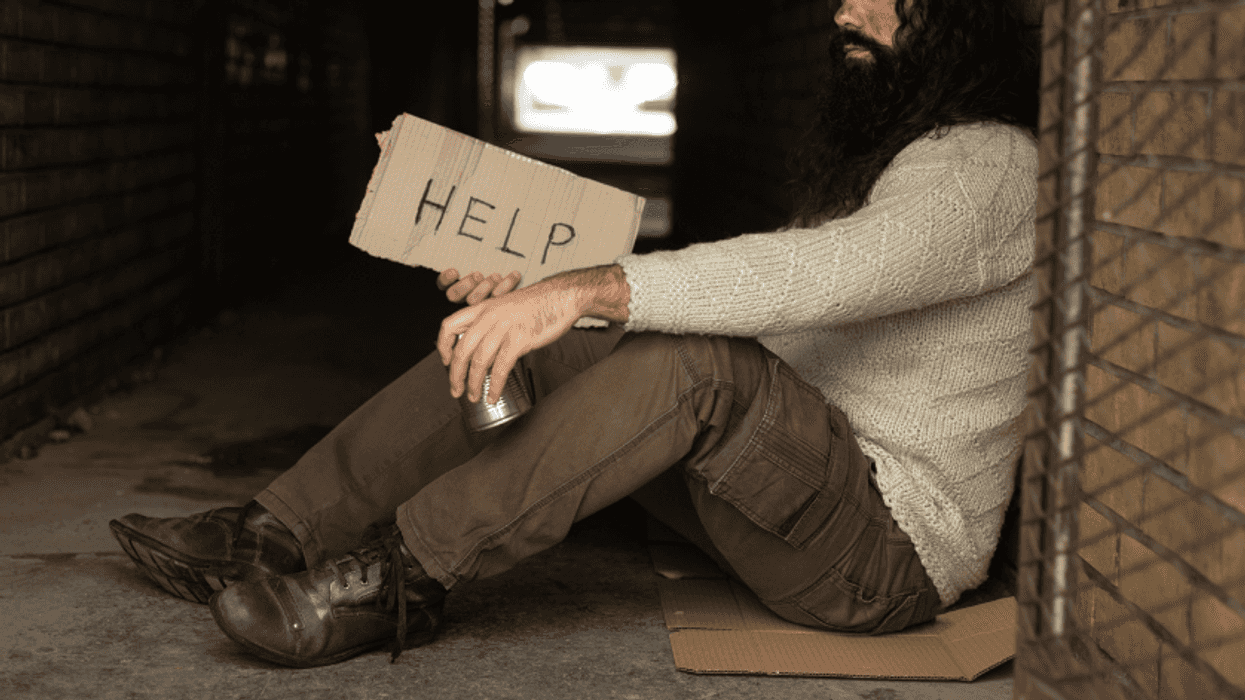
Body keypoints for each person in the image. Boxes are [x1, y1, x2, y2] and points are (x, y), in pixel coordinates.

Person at [110, 0, 1039, 668]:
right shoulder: (893, 158)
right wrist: (543, 296)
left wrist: (585, 289)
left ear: (957, 22)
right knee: (574, 336)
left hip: (880, 554)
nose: (846, 12)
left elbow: (819, 277)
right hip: (786, 497)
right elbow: (782, 314)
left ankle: (406, 576)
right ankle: (270, 534)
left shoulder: (988, 167)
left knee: (687, 358)